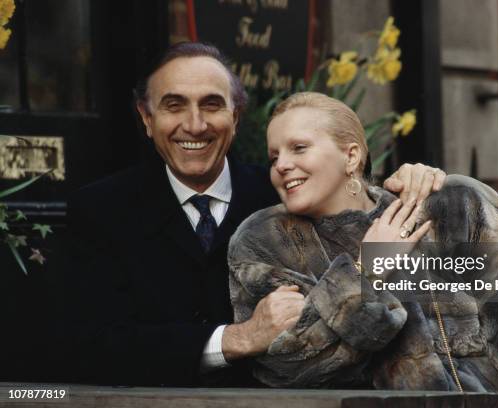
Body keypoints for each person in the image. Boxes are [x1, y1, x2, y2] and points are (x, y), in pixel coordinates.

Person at [64, 42, 445, 386]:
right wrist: (238, 338)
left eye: (212, 104)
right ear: (147, 119)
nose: (194, 124)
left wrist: (416, 182)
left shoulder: (285, 195)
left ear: (237, 116)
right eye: (173, 105)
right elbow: (92, 348)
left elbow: (358, 213)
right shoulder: (101, 210)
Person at [227, 92, 498, 407]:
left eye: (298, 148)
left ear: (351, 156)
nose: (282, 166)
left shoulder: (450, 204)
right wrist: (366, 274)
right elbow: (288, 369)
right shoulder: (264, 240)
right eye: (274, 156)